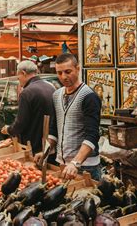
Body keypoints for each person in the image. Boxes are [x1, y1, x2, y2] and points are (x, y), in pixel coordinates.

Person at [35, 53, 102, 181]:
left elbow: (92, 135)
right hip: (63, 165)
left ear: (77, 68)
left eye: (68, 71)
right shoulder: (56, 95)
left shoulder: (89, 97)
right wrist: (45, 151)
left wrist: (75, 163)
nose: (63, 77)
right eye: (59, 73)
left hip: (86, 167)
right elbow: (54, 129)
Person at [1, 60, 55, 154]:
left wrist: (9, 130)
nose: (19, 80)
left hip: (34, 145)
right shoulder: (51, 87)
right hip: (51, 143)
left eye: (18, 77)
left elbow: (21, 123)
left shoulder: (26, 92)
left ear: (23, 73)